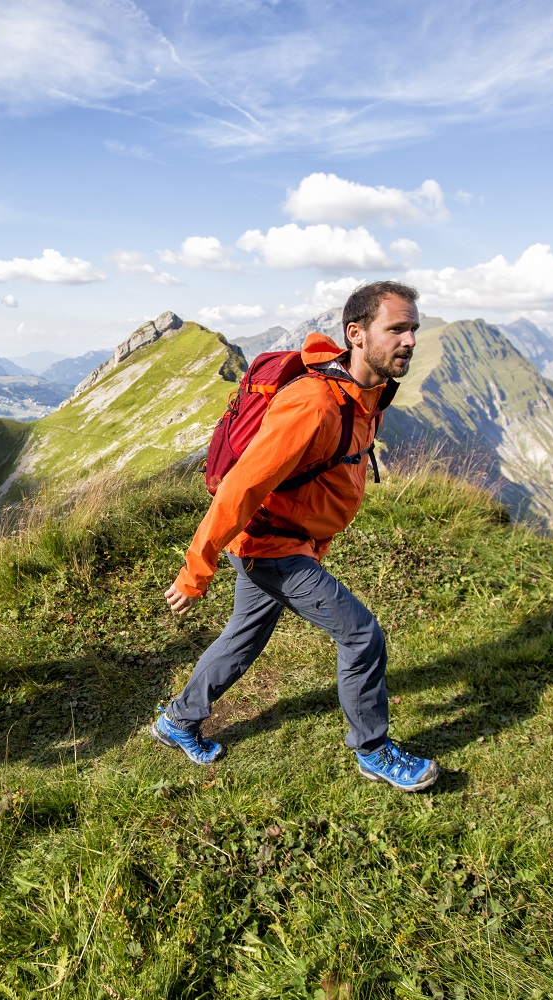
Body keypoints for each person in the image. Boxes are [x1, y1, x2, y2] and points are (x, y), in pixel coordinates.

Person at [154, 280, 439, 791]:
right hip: (271, 548)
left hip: (287, 542)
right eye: (396, 328)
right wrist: (197, 569)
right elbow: (242, 486)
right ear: (356, 333)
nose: (410, 340)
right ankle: (373, 750)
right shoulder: (315, 403)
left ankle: (178, 721)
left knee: (244, 637)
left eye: (413, 328)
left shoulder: (366, 392)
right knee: (360, 634)